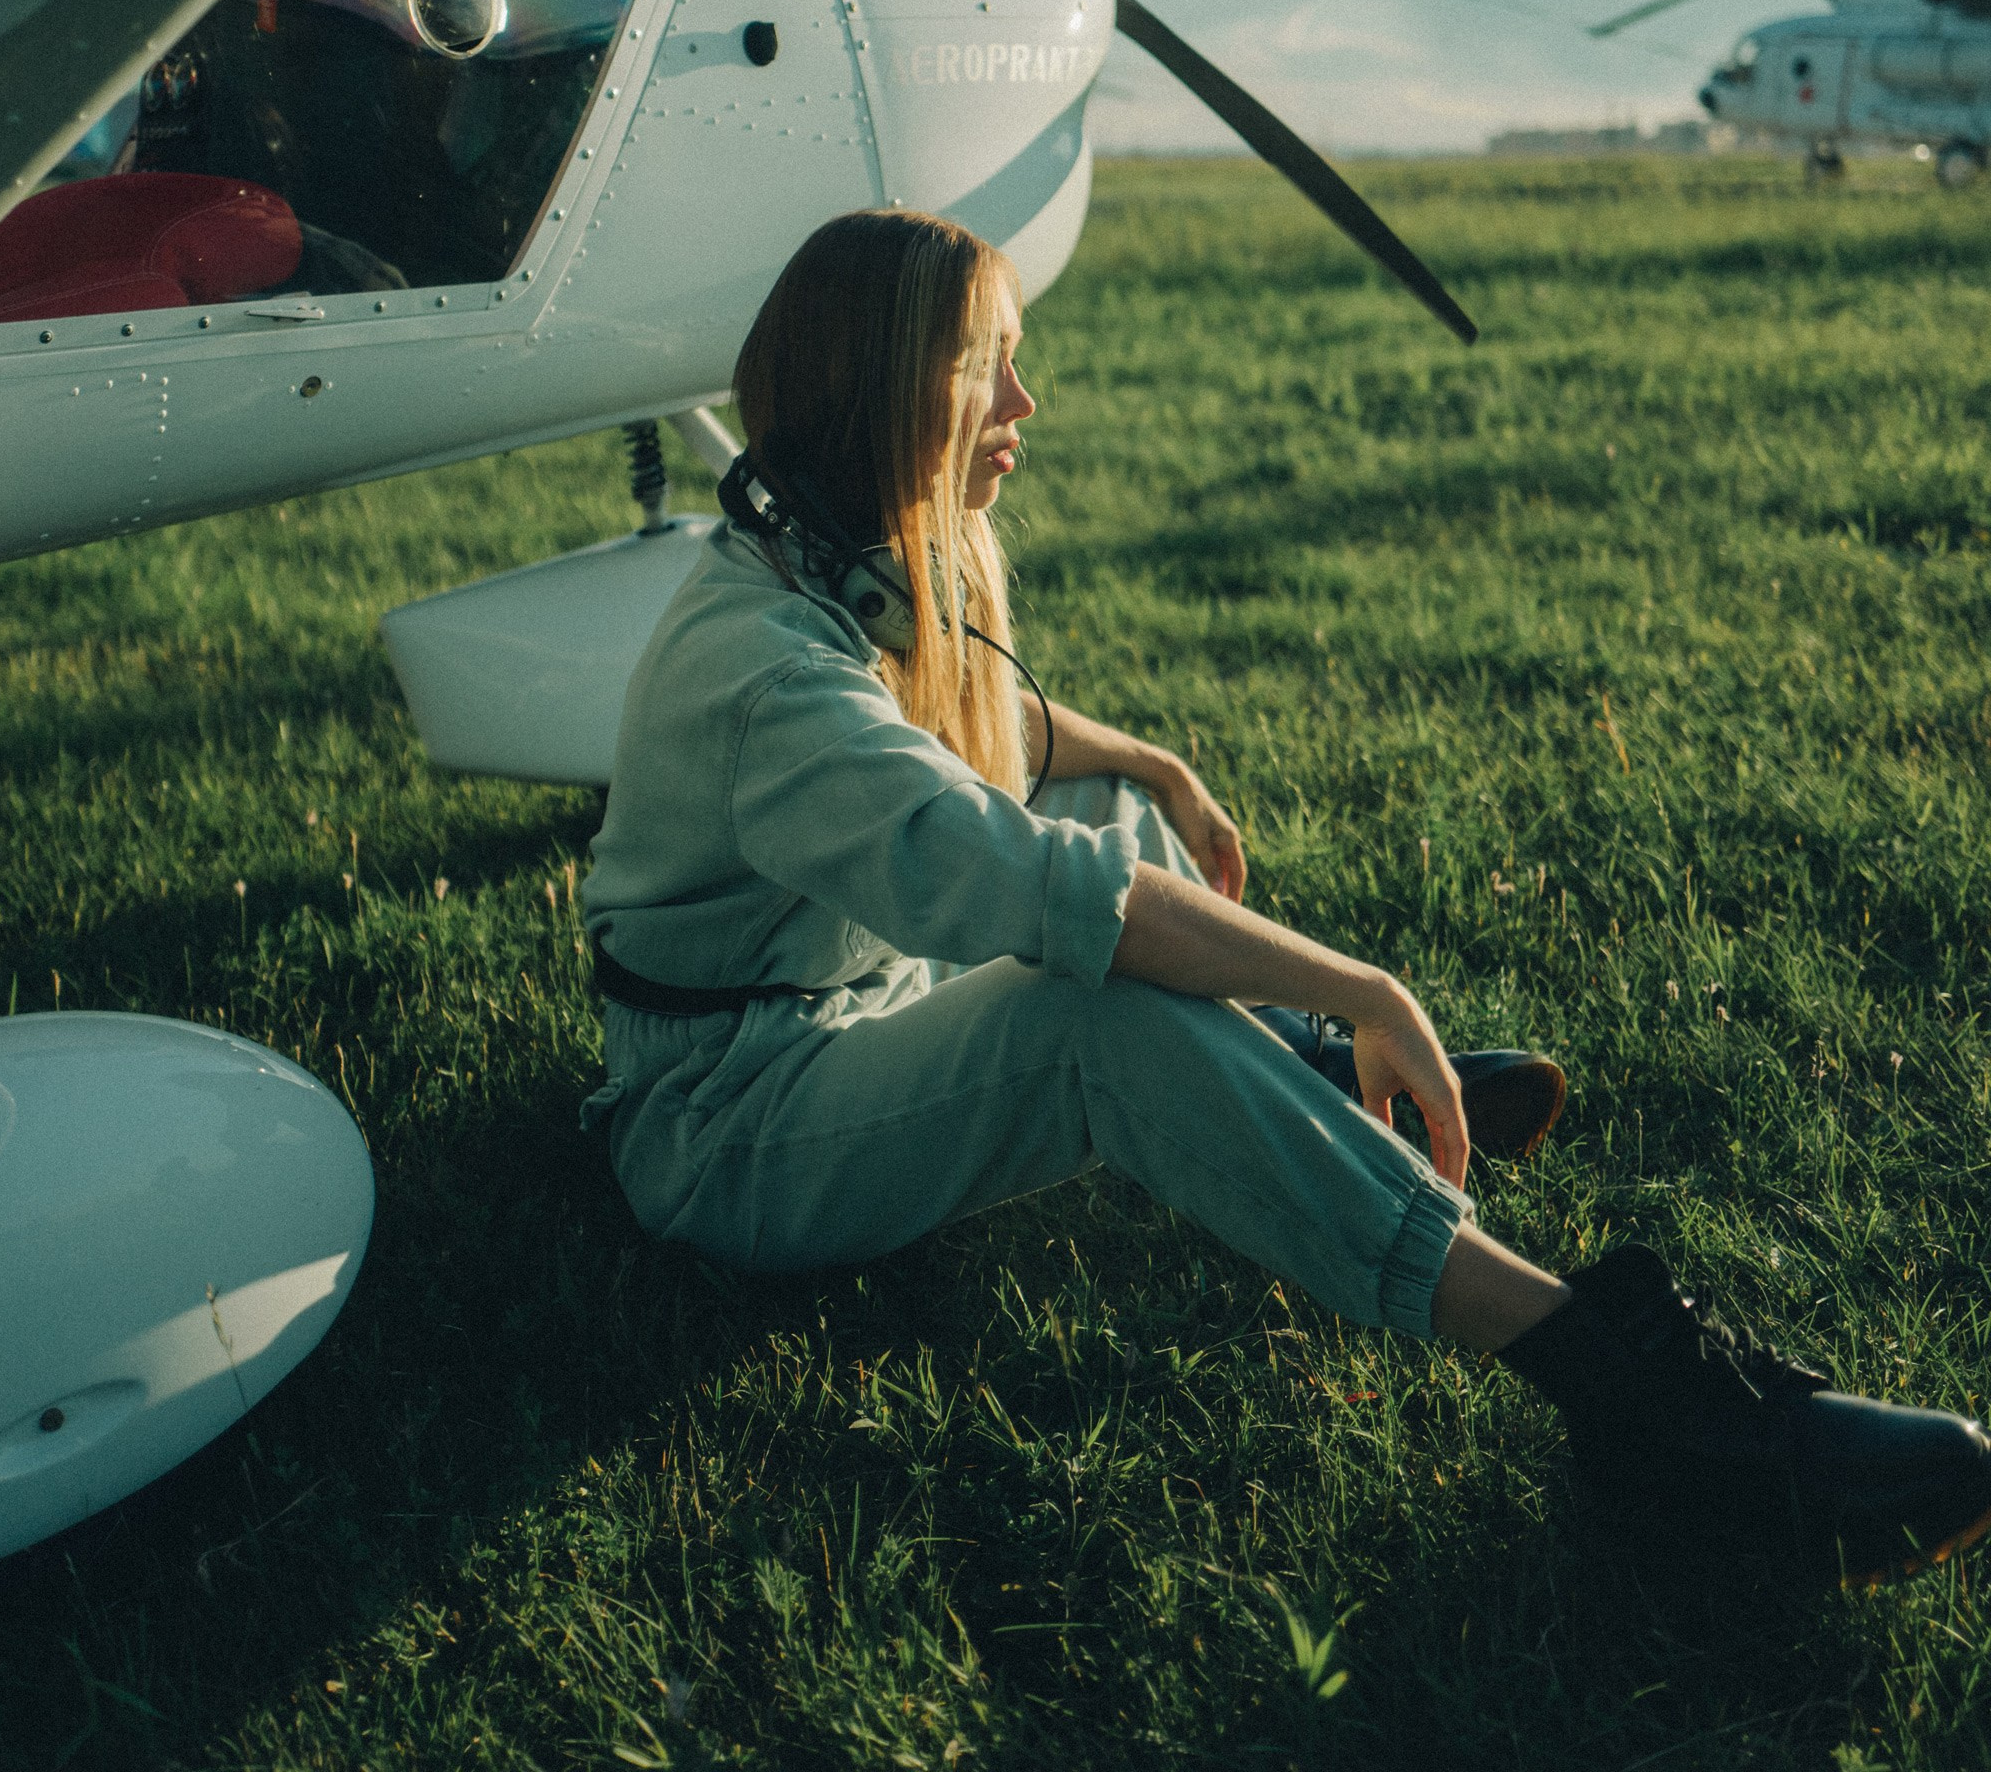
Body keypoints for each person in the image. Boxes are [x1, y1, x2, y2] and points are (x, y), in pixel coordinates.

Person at [580, 208, 1991, 1585]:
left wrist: (1159, 762)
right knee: (1100, 1013)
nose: (1026, 395)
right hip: (731, 1125)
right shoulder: (767, 681)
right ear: (879, 386)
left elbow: (989, 752)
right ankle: (1630, 1392)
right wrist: (1360, 985)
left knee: (1114, 816)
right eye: (982, 363)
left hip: (862, 995)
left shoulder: (836, 558)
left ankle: (1293, 1092)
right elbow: (1061, 894)